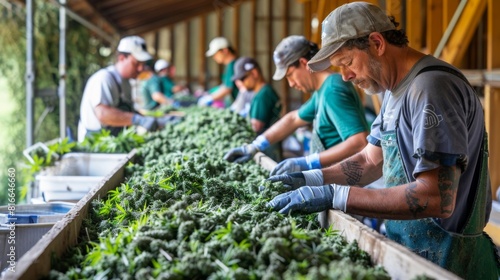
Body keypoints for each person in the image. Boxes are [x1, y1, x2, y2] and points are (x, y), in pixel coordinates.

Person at [265, 2, 499, 279]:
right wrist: (313, 178)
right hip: (412, 252)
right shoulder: (393, 91)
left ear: (377, 43)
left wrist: (338, 196)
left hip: (450, 262)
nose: (345, 76)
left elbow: (437, 197)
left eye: (348, 62)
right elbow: (370, 159)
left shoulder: (431, 89)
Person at [224, 35, 369, 180]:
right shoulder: (322, 91)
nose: (291, 84)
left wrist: (307, 162)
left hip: (344, 184)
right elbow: (293, 119)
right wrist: (255, 146)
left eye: (290, 75)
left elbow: (359, 142)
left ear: (303, 63)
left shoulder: (333, 90)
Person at [78, 36, 177, 142]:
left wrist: (156, 120)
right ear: (121, 58)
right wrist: (138, 120)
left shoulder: (127, 83)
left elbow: (128, 110)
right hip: (96, 143)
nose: (141, 69)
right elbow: (102, 114)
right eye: (136, 64)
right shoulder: (104, 78)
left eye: (142, 64)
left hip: (114, 140)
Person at [229, 57, 282, 161]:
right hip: (269, 144)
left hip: (268, 148)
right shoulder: (263, 91)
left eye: (243, 78)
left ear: (254, 73)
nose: (241, 83)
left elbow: (256, 126)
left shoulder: (262, 95)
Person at [198, 37, 239, 108]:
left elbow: (227, 88)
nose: (214, 57)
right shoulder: (230, 65)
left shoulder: (233, 65)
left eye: (216, 54)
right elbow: (225, 85)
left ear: (225, 51)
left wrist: (210, 98)